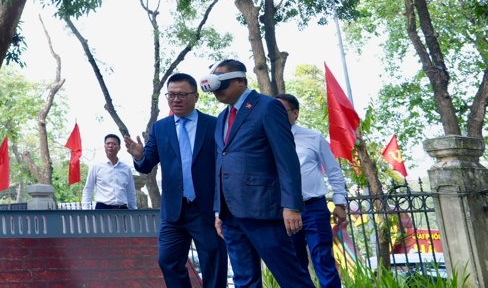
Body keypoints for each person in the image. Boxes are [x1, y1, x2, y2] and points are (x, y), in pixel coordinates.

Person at [202, 59, 313, 288]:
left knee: (290, 277)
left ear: (240, 81)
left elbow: (287, 159)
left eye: (221, 84)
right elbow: (220, 164)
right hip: (230, 214)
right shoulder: (223, 117)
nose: (217, 92)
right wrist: (218, 210)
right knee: (244, 280)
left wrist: (291, 205)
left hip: (263, 210)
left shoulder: (268, 107)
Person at [125, 73, 228, 288]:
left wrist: (221, 206)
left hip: (206, 209)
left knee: (214, 265)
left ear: (196, 97)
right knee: (168, 261)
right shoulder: (160, 127)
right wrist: (139, 156)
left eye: (182, 94)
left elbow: (224, 166)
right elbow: (147, 164)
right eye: (171, 95)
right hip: (174, 211)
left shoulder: (214, 124)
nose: (176, 99)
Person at [276, 93, 349, 288]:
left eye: (282, 110)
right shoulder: (266, 140)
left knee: (323, 257)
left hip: (313, 207)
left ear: (295, 113)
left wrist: (340, 202)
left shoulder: (313, 137)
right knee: (295, 263)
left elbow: (333, 171)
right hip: (283, 210)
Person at [82, 134, 137, 210]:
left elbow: (131, 192)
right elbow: (88, 189)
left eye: (114, 144)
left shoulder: (126, 168)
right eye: (108, 143)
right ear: (104, 146)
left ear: (119, 147)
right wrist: (86, 211)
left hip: (122, 209)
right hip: (102, 209)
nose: (110, 146)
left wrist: (133, 211)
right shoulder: (96, 166)